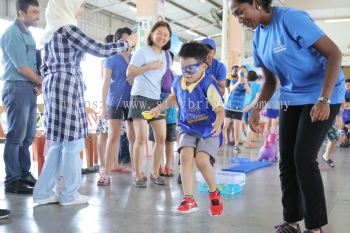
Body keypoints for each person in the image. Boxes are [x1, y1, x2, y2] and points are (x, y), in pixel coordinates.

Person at [229, 1, 345, 232]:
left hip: (323, 93)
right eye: (235, 16)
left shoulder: (290, 19)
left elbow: (334, 53)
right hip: (291, 96)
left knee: (303, 159)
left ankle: (316, 226)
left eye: (240, 12)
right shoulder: (258, 38)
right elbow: (271, 81)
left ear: (255, 3)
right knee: (286, 160)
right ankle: (291, 222)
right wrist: (256, 108)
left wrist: (324, 99)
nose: (239, 20)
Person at [33, 0, 137, 206]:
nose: (81, 9)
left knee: (58, 143)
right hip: (67, 87)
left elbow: (45, 67)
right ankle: (69, 194)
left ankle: (43, 192)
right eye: (78, 5)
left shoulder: (52, 32)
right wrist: (127, 43)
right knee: (72, 143)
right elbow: (98, 48)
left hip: (53, 86)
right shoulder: (68, 29)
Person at [150, 42, 224, 216]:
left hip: (208, 129)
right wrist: (159, 108)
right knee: (185, 156)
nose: (186, 73)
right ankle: (189, 198)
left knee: (202, 160)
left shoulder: (208, 84)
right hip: (187, 127)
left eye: (191, 69)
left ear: (203, 66)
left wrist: (219, 123)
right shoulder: (178, 81)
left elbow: (220, 109)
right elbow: (172, 98)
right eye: (183, 68)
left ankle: (214, 193)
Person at [0, 0, 41, 195]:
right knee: (16, 136)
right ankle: (12, 180)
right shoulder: (12, 34)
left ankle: (24, 174)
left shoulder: (28, 34)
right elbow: (22, 68)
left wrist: (37, 83)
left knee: (28, 136)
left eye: (38, 12)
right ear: (21, 13)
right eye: (34, 12)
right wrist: (41, 81)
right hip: (16, 88)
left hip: (28, 88)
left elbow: (32, 65)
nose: (37, 16)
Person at [126, 21, 171, 188]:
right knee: (141, 138)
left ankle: (155, 173)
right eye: (159, 33)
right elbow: (129, 72)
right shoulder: (142, 52)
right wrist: (149, 66)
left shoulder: (166, 55)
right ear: (152, 34)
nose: (162, 37)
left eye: (166, 35)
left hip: (156, 99)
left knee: (161, 138)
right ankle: (138, 175)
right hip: (139, 97)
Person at [99, 27, 135, 186]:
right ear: (117, 42)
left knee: (133, 137)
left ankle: (137, 171)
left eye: (128, 41)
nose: (126, 44)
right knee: (113, 136)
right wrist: (103, 106)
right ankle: (106, 174)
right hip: (114, 101)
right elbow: (105, 83)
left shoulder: (135, 59)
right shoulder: (111, 59)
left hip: (132, 101)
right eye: (122, 41)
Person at [148, 51, 177, 177]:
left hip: (170, 110)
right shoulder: (152, 73)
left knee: (169, 141)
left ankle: (168, 166)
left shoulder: (174, 74)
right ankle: (157, 165)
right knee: (156, 139)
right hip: (154, 107)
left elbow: (176, 94)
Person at [95, 34, 115, 179]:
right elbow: (104, 82)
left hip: (114, 101)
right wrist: (103, 106)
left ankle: (111, 163)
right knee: (103, 134)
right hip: (105, 100)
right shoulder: (106, 61)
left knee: (111, 135)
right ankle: (102, 164)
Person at [223, 65, 251, 153]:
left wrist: (245, 81)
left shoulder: (247, 83)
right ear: (238, 73)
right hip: (229, 106)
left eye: (244, 71)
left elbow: (248, 91)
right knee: (225, 125)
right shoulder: (233, 81)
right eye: (241, 71)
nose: (242, 73)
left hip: (239, 108)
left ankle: (236, 146)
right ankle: (219, 143)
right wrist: (239, 82)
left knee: (237, 127)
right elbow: (230, 90)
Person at [243, 70, 261, 148]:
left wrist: (246, 107)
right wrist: (249, 107)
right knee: (251, 125)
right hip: (252, 108)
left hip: (244, 107)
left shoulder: (246, 84)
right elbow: (256, 99)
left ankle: (248, 141)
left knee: (247, 125)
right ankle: (248, 142)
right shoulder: (258, 86)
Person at [224, 65, 239, 145]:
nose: (236, 72)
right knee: (228, 124)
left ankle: (233, 138)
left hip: (237, 104)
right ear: (231, 71)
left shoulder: (238, 79)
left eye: (237, 70)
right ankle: (226, 140)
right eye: (235, 70)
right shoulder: (228, 79)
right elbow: (228, 91)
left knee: (234, 124)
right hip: (229, 103)